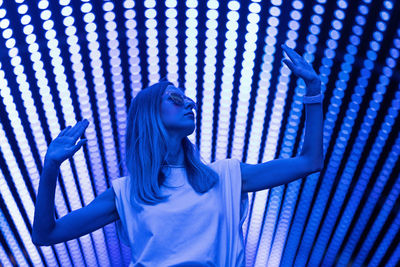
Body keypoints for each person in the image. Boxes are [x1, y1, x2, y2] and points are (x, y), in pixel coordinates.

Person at [32, 44, 324, 266]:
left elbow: (309, 161)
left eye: (187, 98)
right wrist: (51, 167)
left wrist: (314, 90)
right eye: (175, 98)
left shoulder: (226, 176)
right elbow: (46, 234)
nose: (190, 103)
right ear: (150, 115)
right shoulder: (125, 193)